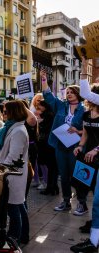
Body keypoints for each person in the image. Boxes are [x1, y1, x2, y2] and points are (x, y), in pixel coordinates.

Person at [41, 70, 86, 213]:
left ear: (78, 93)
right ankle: (66, 201)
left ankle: (82, 203)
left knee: (77, 176)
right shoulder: (61, 106)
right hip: (60, 145)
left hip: (76, 146)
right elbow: (48, 96)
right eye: (67, 92)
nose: (69, 94)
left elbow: (89, 129)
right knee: (64, 175)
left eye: (72, 92)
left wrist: (78, 131)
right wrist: (44, 80)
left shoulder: (84, 110)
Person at [70, 59, 99, 253]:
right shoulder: (88, 115)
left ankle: (94, 240)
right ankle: (94, 229)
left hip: (96, 156)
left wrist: (96, 149)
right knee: (83, 186)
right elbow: (86, 133)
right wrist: (80, 146)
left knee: (97, 200)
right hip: (88, 160)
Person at [0, 100, 29, 244]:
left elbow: (13, 156)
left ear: (13, 113)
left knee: (14, 207)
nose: (3, 114)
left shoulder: (19, 131)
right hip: (10, 172)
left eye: (5, 111)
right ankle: (23, 235)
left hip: (13, 174)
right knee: (19, 205)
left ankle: (14, 236)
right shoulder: (11, 128)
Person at [36, 100, 59, 196]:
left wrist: (39, 123)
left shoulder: (49, 116)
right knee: (51, 167)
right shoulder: (46, 115)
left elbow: (47, 129)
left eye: (40, 106)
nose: (38, 108)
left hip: (48, 144)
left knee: (51, 167)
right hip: (46, 144)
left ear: (45, 106)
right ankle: (53, 187)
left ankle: (51, 188)